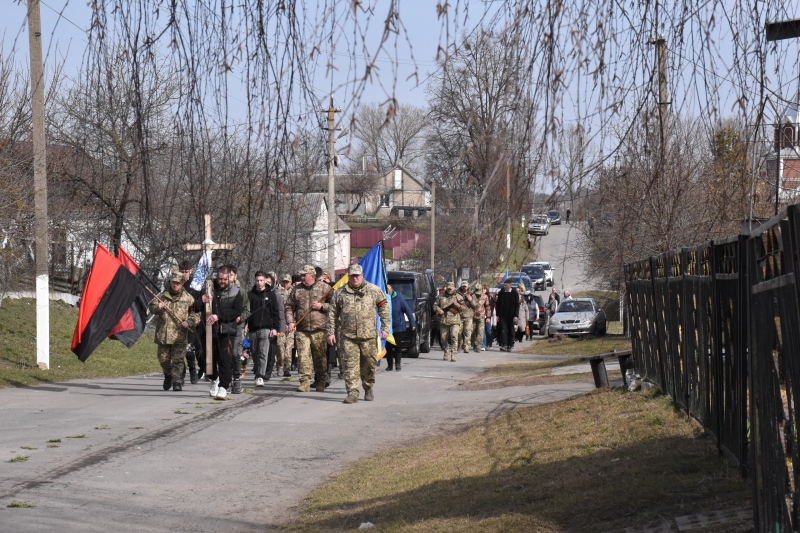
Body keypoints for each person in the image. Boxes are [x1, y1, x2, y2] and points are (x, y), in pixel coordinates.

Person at [326, 264, 391, 403]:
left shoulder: (374, 290)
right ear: (348, 276)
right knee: (350, 365)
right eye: (352, 276)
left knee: (368, 364)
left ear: (362, 275)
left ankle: (368, 387)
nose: (355, 278)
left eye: (357, 275)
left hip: (368, 337)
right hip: (348, 337)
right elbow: (332, 314)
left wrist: (385, 328)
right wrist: (330, 332)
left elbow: (384, 309)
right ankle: (352, 392)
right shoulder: (340, 293)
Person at [149, 270, 201, 392]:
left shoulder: (188, 298)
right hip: (164, 334)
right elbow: (151, 307)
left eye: (178, 283)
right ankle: (168, 375)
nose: (175, 285)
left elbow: (196, 314)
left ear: (182, 283)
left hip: (179, 335)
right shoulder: (162, 296)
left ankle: (177, 381)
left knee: (178, 360)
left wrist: (189, 322)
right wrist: (158, 307)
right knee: (163, 358)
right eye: (173, 282)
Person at [285, 265, 332, 392]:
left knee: (320, 357)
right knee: (303, 356)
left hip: (319, 329)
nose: (301, 277)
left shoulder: (325, 288)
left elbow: (335, 306)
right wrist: (290, 322)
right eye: (301, 275)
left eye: (304, 275)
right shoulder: (297, 290)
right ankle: (304, 382)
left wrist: (322, 306)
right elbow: (289, 307)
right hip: (302, 330)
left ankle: (321, 381)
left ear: (312, 276)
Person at [203, 265, 244, 400]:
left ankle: (224, 386)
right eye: (220, 278)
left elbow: (237, 311)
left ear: (229, 278)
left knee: (225, 359)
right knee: (209, 359)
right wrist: (201, 300)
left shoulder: (235, 292)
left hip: (227, 330)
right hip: (209, 331)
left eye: (224, 279)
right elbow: (196, 306)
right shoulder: (209, 289)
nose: (221, 281)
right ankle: (214, 379)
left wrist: (218, 316)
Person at [246, 271, 281, 387]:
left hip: (266, 328)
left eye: (261, 280)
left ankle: (260, 376)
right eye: (257, 280)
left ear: (265, 281)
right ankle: (256, 371)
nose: (259, 283)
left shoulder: (271, 295)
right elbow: (246, 312)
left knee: (263, 353)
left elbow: (276, 313)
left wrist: (275, 328)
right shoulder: (250, 295)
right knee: (254, 352)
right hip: (253, 328)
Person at [178, 260, 204, 384]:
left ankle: (193, 369)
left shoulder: (196, 284)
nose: (184, 274)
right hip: (177, 320)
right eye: (182, 272)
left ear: (190, 271)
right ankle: (181, 374)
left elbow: (199, 304)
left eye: (186, 272)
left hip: (192, 319)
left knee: (189, 348)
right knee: (178, 349)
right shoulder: (176, 283)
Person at [227, 266, 250, 389]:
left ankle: (236, 379)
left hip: (237, 326)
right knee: (226, 354)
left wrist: (240, 317)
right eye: (226, 275)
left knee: (236, 353)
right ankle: (226, 380)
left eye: (231, 275)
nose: (228, 277)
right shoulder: (221, 291)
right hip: (224, 326)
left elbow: (247, 310)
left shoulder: (241, 292)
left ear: (235, 276)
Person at [385, 284, 416, 371]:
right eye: (386, 288)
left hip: (398, 326)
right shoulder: (384, 298)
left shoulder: (399, 298)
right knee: (389, 347)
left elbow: (408, 311)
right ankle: (390, 365)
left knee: (398, 345)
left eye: (388, 288)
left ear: (391, 288)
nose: (387, 290)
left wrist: (412, 323)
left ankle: (398, 364)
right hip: (387, 327)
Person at [433, 282, 465, 362]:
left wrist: (459, 306)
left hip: (455, 321)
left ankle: (453, 354)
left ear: (454, 288)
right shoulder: (441, 296)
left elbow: (465, 308)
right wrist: (438, 310)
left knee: (454, 336)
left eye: (451, 288)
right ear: (446, 288)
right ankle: (446, 351)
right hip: (444, 321)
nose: (450, 290)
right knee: (443, 338)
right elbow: (434, 306)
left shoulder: (458, 297)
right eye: (448, 288)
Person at [274, 274, 292, 377]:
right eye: (284, 282)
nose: (285, 284)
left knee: (288, 348)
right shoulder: (278, 292)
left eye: (287, 282)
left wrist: (291, 322)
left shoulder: (294, 292)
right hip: (282, 323)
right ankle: (280, 366)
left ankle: (287, 368)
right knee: (280, 346)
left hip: (291, 324)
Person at [495, 280, 519, 352]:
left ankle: (510, 345)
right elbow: (498, 304)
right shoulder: (502, 293)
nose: (505, 287)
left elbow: (517, 305)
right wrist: (498, 315)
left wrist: (515, 315)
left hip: (511, 316)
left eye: (506, 285)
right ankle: (504, 345)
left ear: (510, 285)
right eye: (504, 285)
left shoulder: (514, 293)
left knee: (511, 330)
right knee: (503, 330)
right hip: (503, 315)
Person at [457, 280, 477, 353]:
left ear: (468, 287)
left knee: (467, 332)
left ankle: (466, 347)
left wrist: (470, 300)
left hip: (468, 316)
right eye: (463, 286)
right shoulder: (457, 294)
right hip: (459, 315)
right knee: (458, 332)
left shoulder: (472, 294)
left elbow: (475, 305)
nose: (464, 287)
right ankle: (459, 345)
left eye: (465, 286)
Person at [470, 285, 490, 352]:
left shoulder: (485, 296)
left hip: (481, 316)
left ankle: (478, 346)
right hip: (473, 317)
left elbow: (487, 307)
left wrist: (488, 317)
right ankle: (474, 343)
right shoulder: (472, 296)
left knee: (480, 332)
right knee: (471, 332)